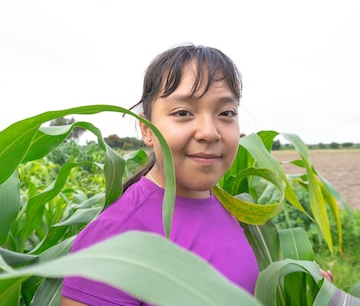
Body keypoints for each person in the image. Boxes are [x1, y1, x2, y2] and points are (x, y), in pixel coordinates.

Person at [60, 44, 258, 305]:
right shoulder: (114, 236)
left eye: (226, 113)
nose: (210, 132)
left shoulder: (232, 209)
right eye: (183, 113)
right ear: (147, 130)